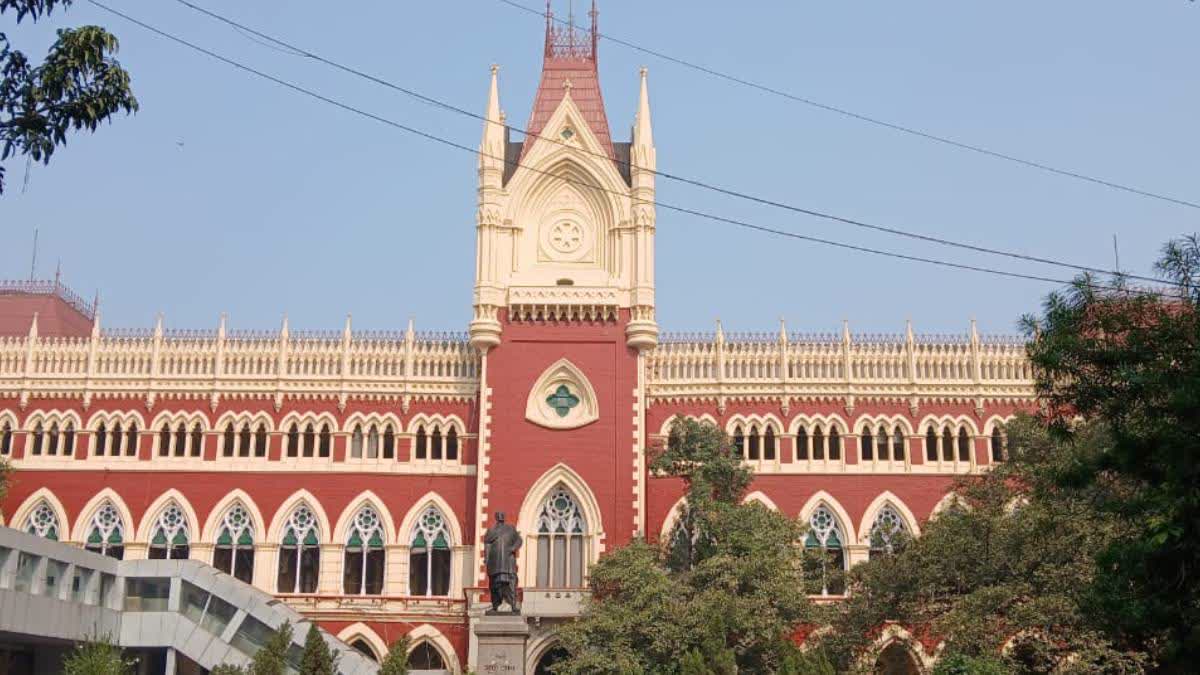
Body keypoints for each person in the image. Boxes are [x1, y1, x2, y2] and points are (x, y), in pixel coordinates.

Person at [483, 511, 522, 612]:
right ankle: (496, 605)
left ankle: (512, 604)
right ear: (496, 517)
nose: (501, 516)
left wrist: (513, 548)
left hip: (508, 561)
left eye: (502, 514)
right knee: (494, 585)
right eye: (499, 515)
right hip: (495, 562)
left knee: (510, 583)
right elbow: (487, 545)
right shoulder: (491, 531)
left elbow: (519, 540)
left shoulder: (510, 529)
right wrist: (487, 559)